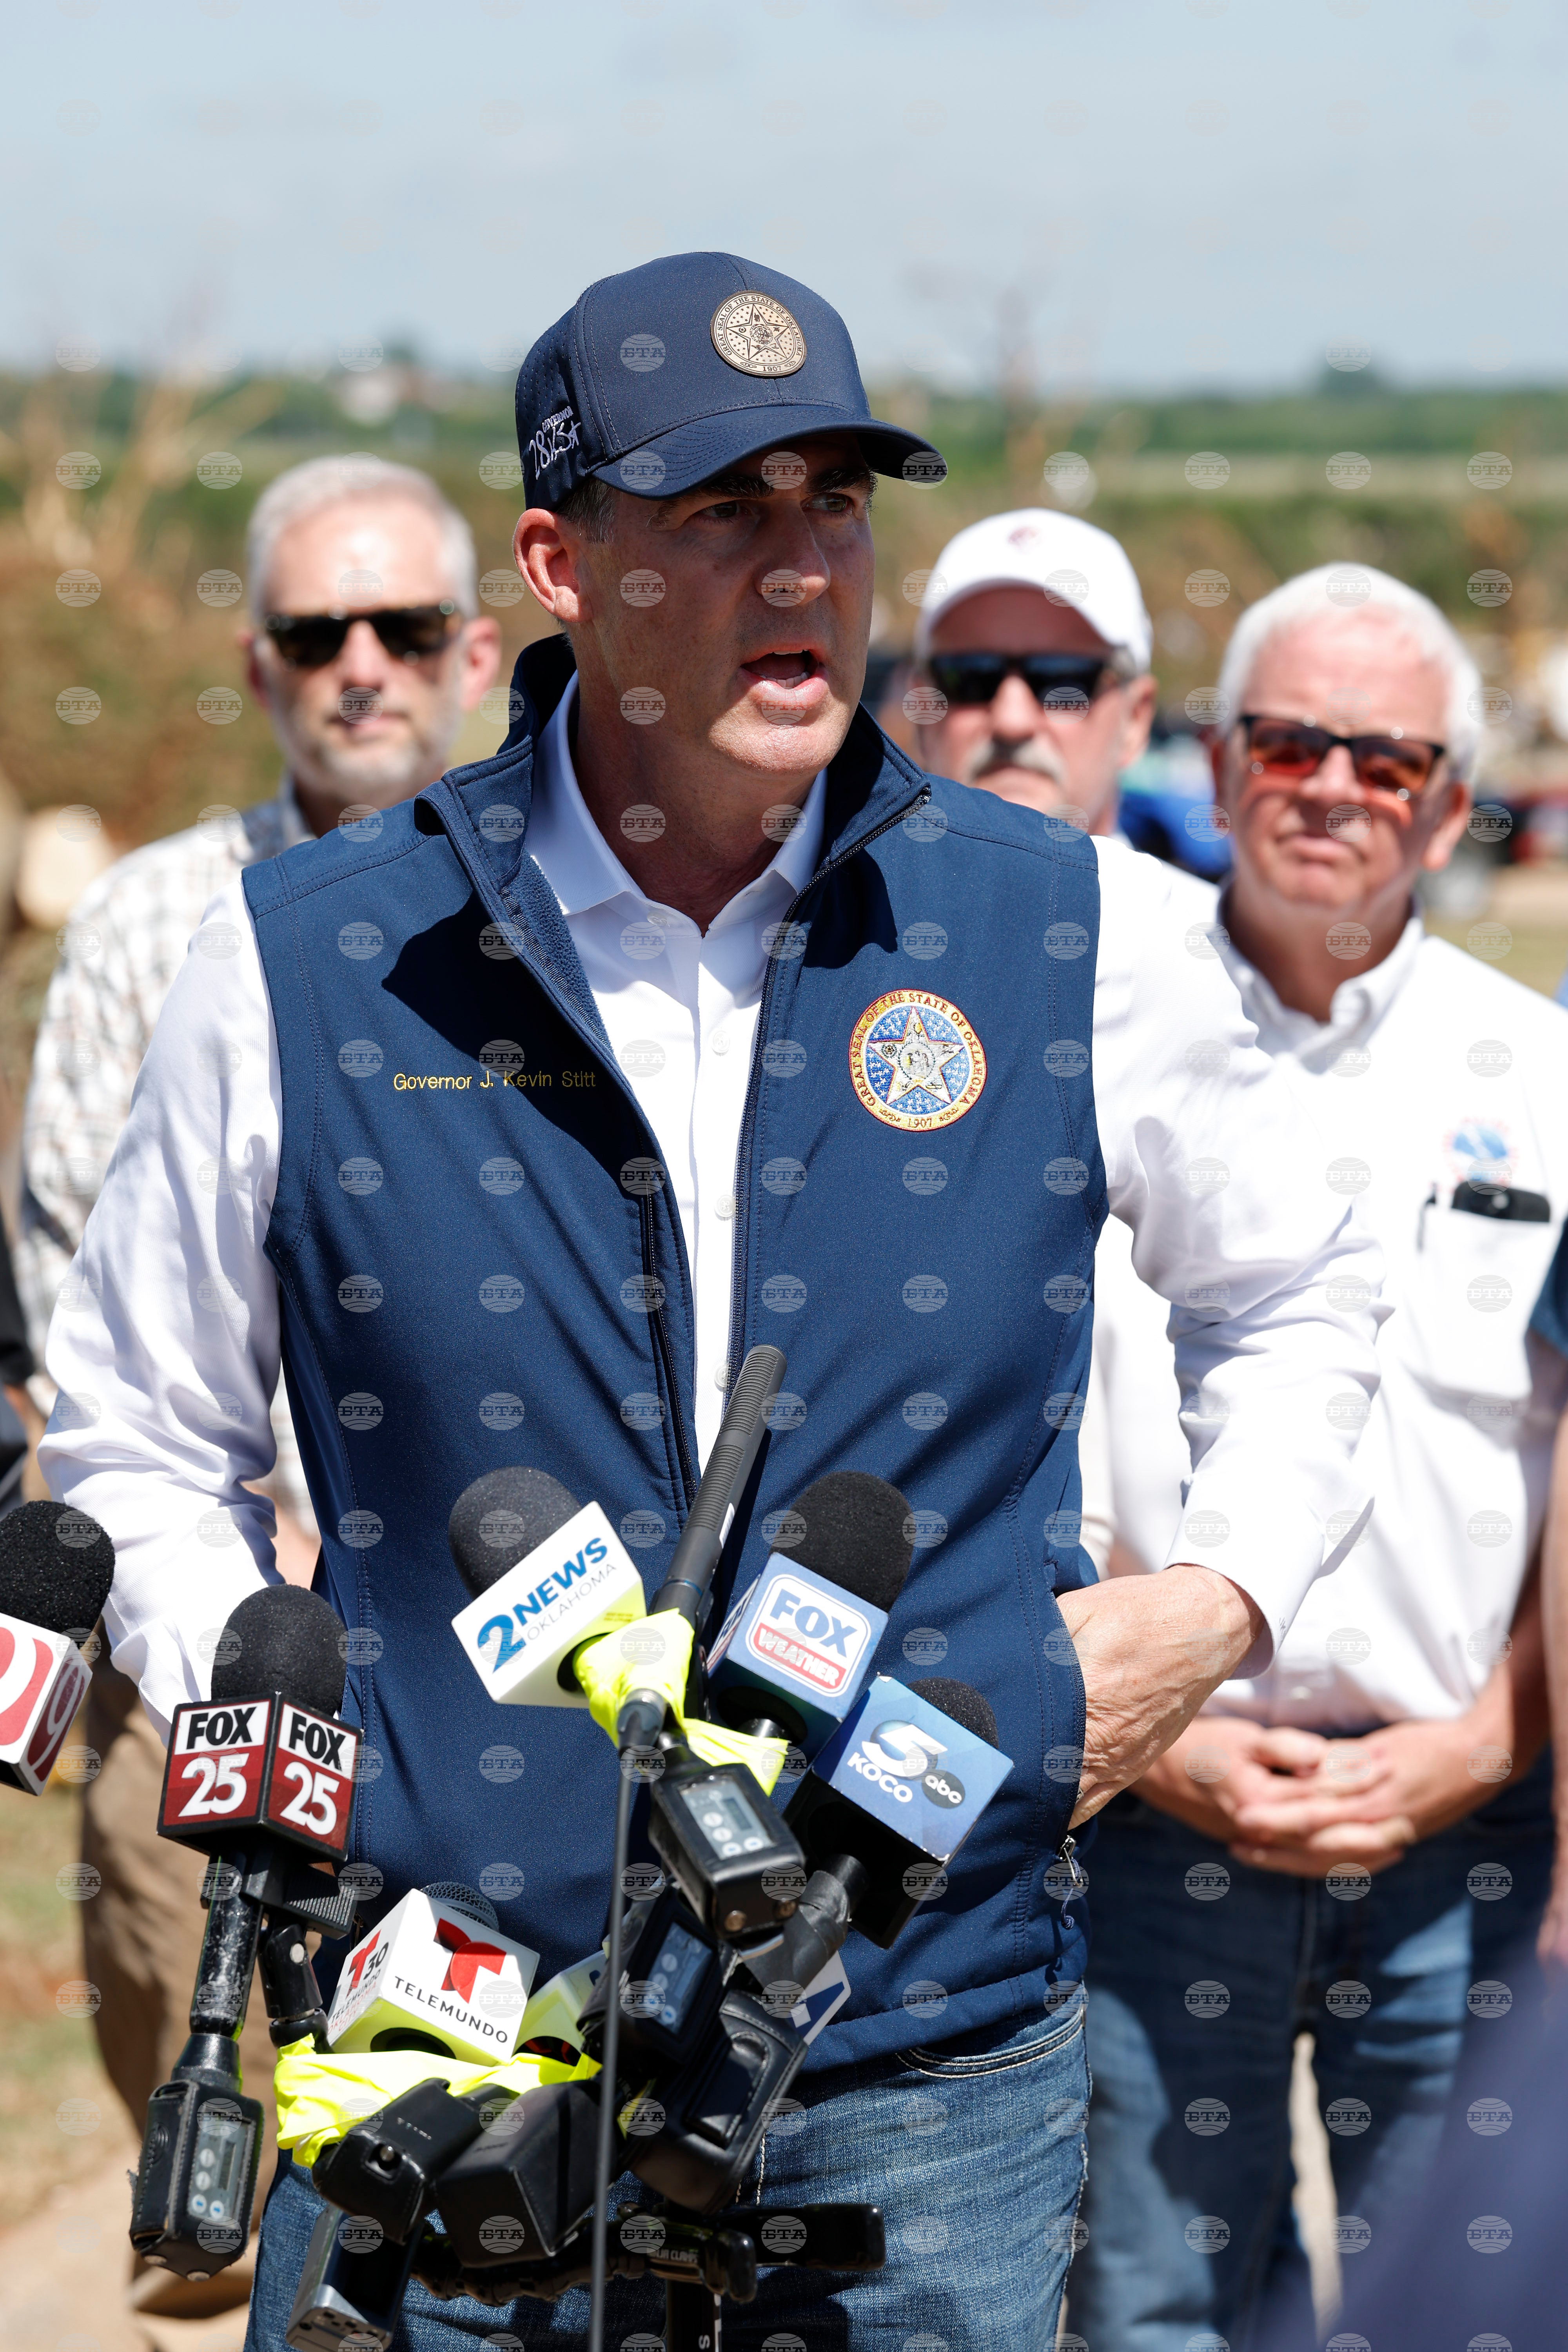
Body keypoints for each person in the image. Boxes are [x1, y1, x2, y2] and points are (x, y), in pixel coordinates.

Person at [42, 254, 1383, 2351]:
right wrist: (295, 1720)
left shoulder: (1073, 932)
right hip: (447, 2052)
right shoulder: (305, 959)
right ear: (560, 565)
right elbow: (134, 1431)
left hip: (926, 2052)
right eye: (723, 511)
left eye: (833, 505)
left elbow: (1304, 1292)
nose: (802, 567)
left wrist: (1211, 1608)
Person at [21, 454, 501, 2327]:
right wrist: (226, 1527)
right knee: (182, 2013)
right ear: (259, 664)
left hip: (473, 1590)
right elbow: (78, 1264)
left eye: (401, 628)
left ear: (473, 651)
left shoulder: (540, 904)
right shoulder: (153, 919)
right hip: (204, 1591)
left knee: (458, 2082)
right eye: (317, 634)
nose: (360, 666)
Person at [1071, 563, 1568, 2352]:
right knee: (1152, 2320)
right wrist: (1152, 1734)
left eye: (1386, 758)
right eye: (1290, 743)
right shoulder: (1093, 1050)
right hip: (1148, 1820)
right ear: (1218, 768)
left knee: (1472, 2319)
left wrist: (1493, 1737)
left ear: (1448, 803)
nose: (1333, 786)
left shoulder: (1546, 1074)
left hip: (1467, 1834)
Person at [909, 508, 1214, 1574]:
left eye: (1062, 682)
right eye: (972, 678)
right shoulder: (835, 955)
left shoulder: (1232, 969)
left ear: (1135, 717)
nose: (1012, 715)